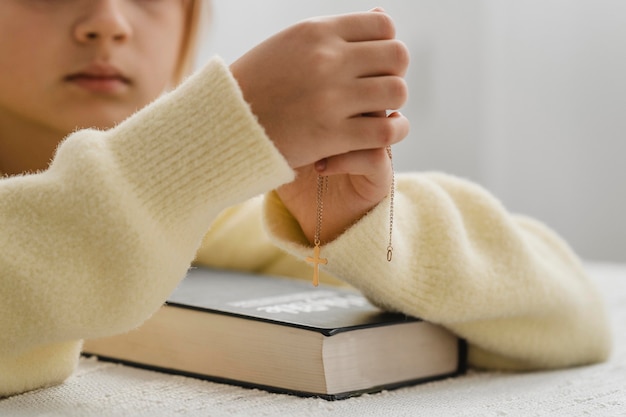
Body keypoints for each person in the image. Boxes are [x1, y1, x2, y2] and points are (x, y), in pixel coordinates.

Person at [0, 0, 610, 398]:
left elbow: (570, 314)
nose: (108, 20)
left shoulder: (213, 223)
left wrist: (367, 223)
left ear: (190, 24)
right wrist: (210, 133)